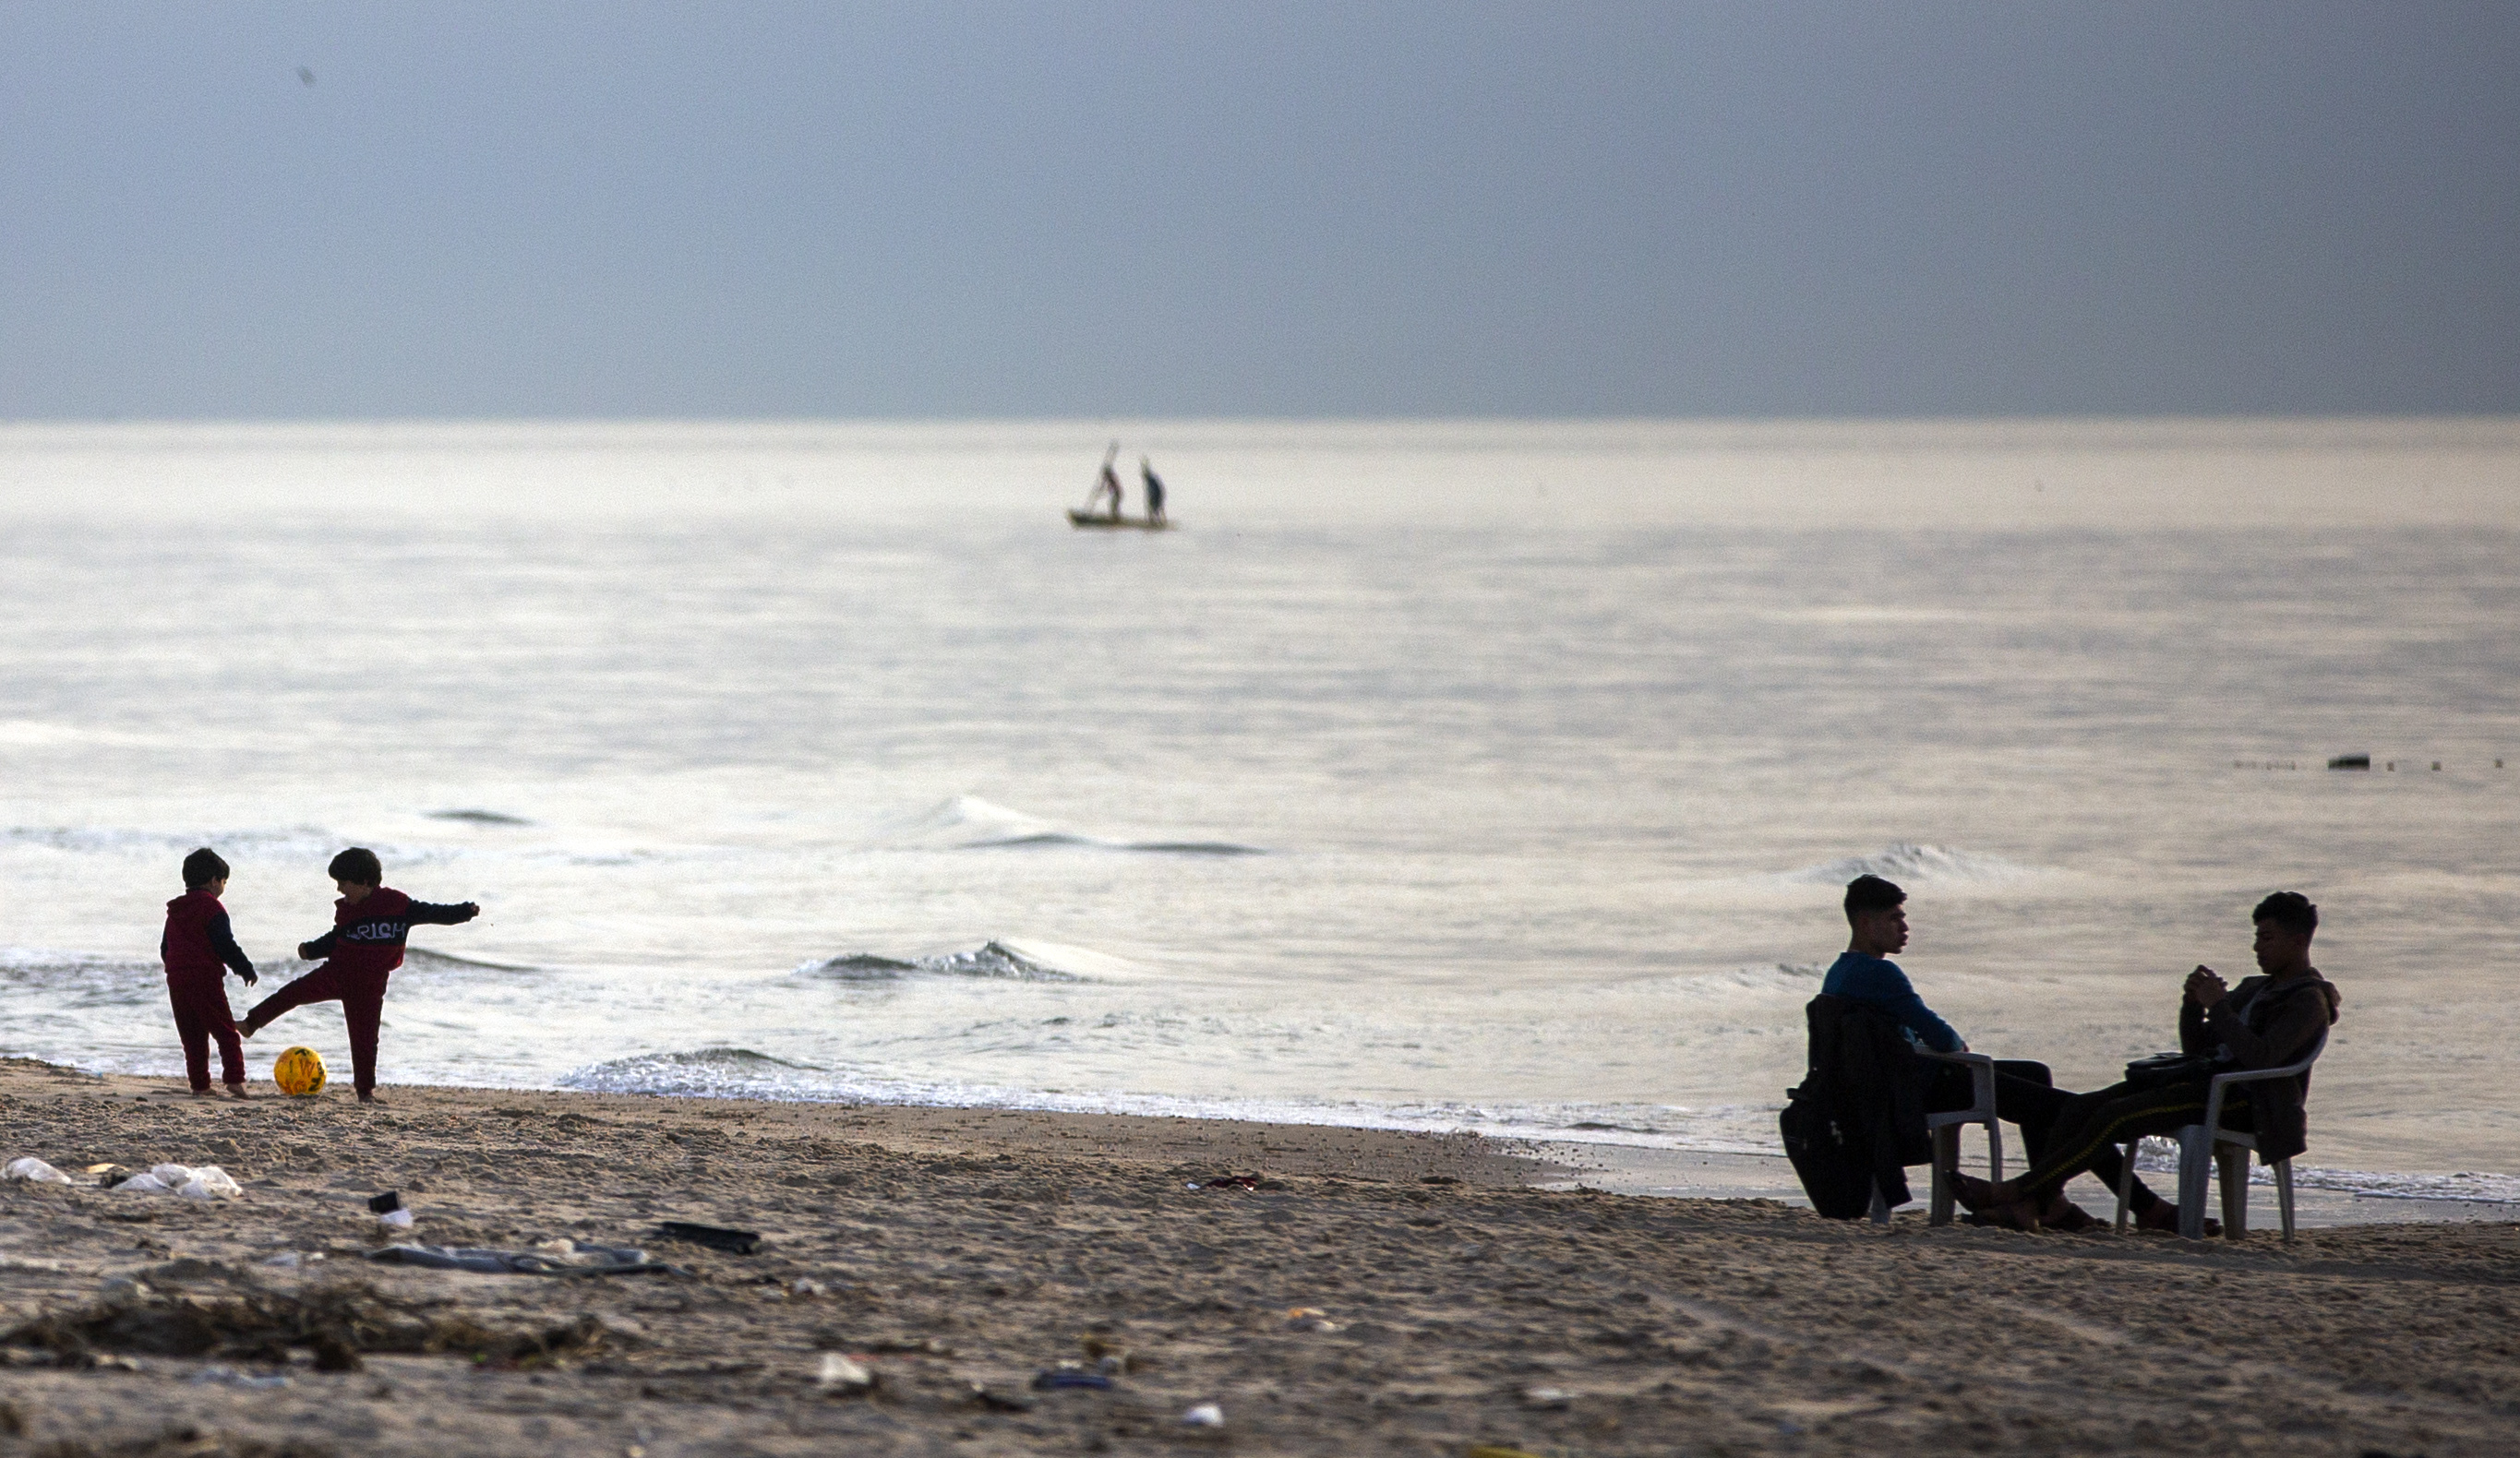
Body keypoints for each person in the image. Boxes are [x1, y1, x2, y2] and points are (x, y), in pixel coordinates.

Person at [1962, 891, 2341, 1231]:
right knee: (2080, 1109)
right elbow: (2198, 1050)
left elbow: (2262, 1058)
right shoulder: (2255, 988)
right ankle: (2035, 1202)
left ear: (2297, 941)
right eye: (2256, 937)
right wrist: (2192, 1007)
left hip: (2247, 1101)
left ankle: (2016, 1193)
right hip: (2206, 1085)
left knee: (2115, 1117)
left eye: (2267, 938)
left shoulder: (2308, 1001)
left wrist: (2220, 1007)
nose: (2257, 948)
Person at [1825, 874, 2172, 1228]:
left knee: (2035, 1075)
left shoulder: (1839, 973)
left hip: (1896, 1086)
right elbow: (1942, 1038)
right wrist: (1956, 1045)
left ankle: (2048, 1201)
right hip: (1926, 1088)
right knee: (2076, 1111)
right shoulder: (1880, 974)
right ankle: (2146, 1206)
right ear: (1866, 923)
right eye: (1894, 917)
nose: (1905, 926)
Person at [239, 847, 480, 1104]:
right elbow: (337, 938)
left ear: (365, 882)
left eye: (344, 883)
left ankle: (365, 1092)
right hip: (337, 973)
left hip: (371, 985)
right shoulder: (348, 909)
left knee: (365, 1039)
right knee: (292, 993)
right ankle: (251, 1024)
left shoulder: (399, 905)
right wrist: (311, 950)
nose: (339, 889)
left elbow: (435, 913)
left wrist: (464, 911)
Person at [161, 847, 259, 1098]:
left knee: (192, 1037)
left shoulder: (175, 910)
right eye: (224, 881)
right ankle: (235, 1080)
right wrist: (245, 968)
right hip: (204, 978)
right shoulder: (212, 908)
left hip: (177, 979)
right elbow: (225, 944)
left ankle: (200, 1086)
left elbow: (165, 947)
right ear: (215, 881)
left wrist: (176, 967)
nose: (223, 887)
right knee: (226, 1031)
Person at [1140, 456, 1167, 523]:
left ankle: (1154, 521)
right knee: (1158, 507)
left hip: (1156, 495)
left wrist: (1151, 497)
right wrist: (1144, 464)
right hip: (1159, 494)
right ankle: (1159, 520)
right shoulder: (1152, 478)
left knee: (1154, 507)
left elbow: (1153, 490)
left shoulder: (1150, 480)